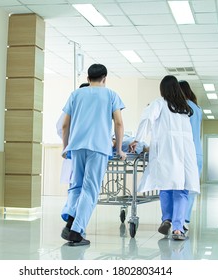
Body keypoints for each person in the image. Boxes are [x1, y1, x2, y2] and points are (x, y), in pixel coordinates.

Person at [60, 63, 126, 246]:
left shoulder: (76, 94)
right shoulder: (111, 95)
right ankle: (76, 231)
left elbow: (65, 125)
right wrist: (119, 149)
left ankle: (71, 221)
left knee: (76, 186)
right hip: (98, 148)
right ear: (104, 78)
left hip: (77, 146)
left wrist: (66, 148)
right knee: (90, 190)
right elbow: (119, 124)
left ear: (88, 78)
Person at [129, 75, 199, 241]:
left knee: (165, 186)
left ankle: (166, 218)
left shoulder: (159, 103)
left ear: (162, 89)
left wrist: (137, 138)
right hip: (185, 153)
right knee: (182, 189)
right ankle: (177, 229)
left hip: (166, 152)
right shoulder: (185, 108)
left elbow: (147, 118)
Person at [178, 80, 203, 231]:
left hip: (185, 151)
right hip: (197, 152)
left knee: (180, 186)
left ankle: (179, 219)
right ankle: (185, 219)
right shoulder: (197, 108)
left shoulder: (181, 108)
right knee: (192, 186)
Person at [56, 83, 89, 184]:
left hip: (74, 149)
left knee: (75, 185)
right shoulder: (85, 109)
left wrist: (66, 146)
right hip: (85, 150)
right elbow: (62, 127)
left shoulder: (73, 108)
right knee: (84, 184)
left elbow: (62, 127)